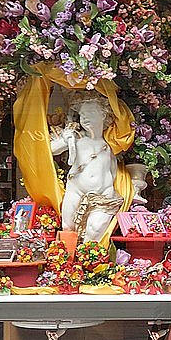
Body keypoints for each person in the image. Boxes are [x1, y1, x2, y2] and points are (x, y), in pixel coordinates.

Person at [50, 94, 125, 242]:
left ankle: (88, 254)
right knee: (67, 226)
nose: (84, 117)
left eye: (89, 112)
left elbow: (113, 170)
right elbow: (52, 150)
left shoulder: (111, 144)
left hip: (103, 194)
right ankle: (68, 256)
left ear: (103, 115)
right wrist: (66, 138)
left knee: (95, 229)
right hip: (76, 190)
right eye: (82, 114)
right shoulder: (76, 138)